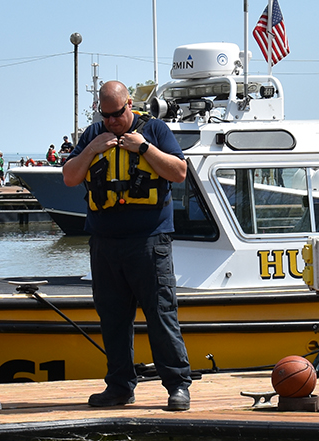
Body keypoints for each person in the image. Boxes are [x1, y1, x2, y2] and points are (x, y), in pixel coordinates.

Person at [61, 80, 192, 412]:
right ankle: (119, 386)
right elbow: (70, 177)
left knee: (161, 316)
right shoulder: (94, 134)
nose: (111, 122)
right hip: (105, 244)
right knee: (113, 319)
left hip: (149, 242)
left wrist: (144, 148)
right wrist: (93, 149)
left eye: (116, 115)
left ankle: (177, 385)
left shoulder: (156, 130)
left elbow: (179, 172)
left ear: (129, 105)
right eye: (105, 116)